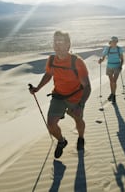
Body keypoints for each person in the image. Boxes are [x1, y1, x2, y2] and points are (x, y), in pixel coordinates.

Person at [29, 30, 91, 159]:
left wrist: (80, 105)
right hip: (58, 95)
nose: (57, 45)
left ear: (68, 45)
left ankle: (81, 138)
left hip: (76, 97)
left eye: (60, 42)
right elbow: (48, 74)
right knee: (51, 125)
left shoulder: (77, 62)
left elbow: (87, 86)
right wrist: (38, 88)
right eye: (55, 41)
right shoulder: (51, 60)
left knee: (78, 119)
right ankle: (62, 141)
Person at [98, 36, 124, 103]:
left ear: (117, 42)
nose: (114, 42)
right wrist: (100, 60)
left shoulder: (119, 49)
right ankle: (112, 94)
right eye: (113, 41)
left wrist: (120, 66)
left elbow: (122, 59)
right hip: (109, 66)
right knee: (111, 81)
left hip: (117, 66)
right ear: (110, 42)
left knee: (114, 81)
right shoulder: (107, 49)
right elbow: (103, 58)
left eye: (115, 41)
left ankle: (113, 95)